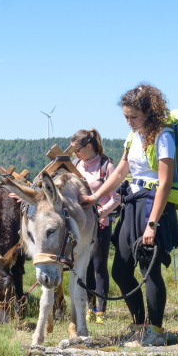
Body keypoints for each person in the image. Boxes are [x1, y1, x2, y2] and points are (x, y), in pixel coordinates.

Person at [80, 84, 178, 346]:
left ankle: (155, 331)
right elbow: (121, 172)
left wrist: (152, 225)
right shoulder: (132, 137)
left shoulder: (164, 137)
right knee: (121, 271)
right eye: (126, 116)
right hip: (132, 204)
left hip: (152, 206)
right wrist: (96, 195)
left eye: (133, 116)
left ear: (149, 111)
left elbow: (165, 183)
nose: (129, 121)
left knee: (149, 269)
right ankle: (139, 326)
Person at [68, 129, 118, 321]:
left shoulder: (107, 166)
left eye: (77, 150)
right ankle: (89, 307)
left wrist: (102, 212)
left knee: (99, 265)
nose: (75, 154)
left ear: (88, 147)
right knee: (85, 265)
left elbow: (117, 198)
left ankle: (101, 310)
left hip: (102, 223)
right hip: (82, 226)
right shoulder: (75, 165)